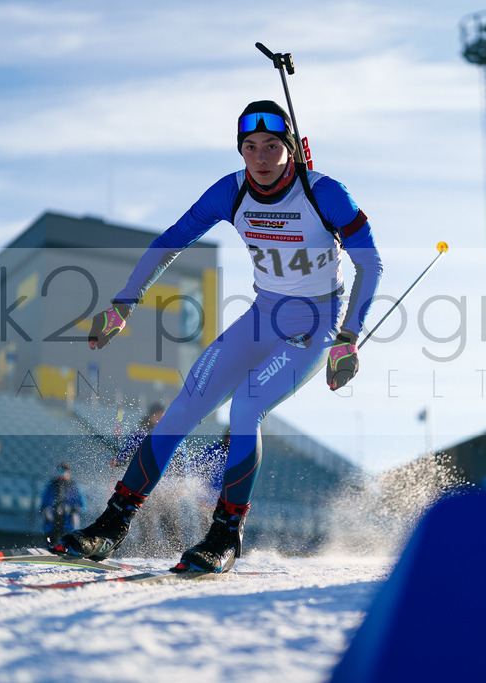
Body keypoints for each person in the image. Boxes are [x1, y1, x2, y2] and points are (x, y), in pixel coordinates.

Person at [59, 100, 383, 572]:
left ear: (289, 148)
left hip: (315, 326)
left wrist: (348, 337)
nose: (261, 157)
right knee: (183, 407)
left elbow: (370, 263)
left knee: (246, 406)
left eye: (272, 146)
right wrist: (123, 304)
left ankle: (226, 536)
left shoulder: (325, 193)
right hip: (262, 314)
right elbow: (171, 240)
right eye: (250, 147)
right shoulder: (230, 192)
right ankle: (111, 526)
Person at [39, 463, 85, 546]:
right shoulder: (51, 486)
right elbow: (44, 503)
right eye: (59, 472)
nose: (61, 474)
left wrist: (70, 509)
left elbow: (82, 506)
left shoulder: (74, 487)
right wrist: (46, 511)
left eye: (63, 472)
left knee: (66, 543)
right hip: (52, 522)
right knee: (50, 542)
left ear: (68, 473)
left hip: (68, 523)